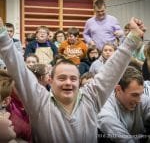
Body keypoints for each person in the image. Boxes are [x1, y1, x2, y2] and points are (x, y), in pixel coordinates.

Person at [0, 16, 146, 142]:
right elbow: (19, 69)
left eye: (73, 78)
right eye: (62, 78)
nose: (68, 82)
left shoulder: (91, 98)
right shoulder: (38, 101)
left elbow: (112, 70)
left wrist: (132, 38)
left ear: (79, 81)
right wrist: (2, 36)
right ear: (50, 80)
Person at [97, 66, 150, 143]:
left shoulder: (142, 99)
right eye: (134, 95)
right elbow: (124, 140)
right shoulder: (104, 107)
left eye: (140, 94)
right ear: (118, 90)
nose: (139, 100)